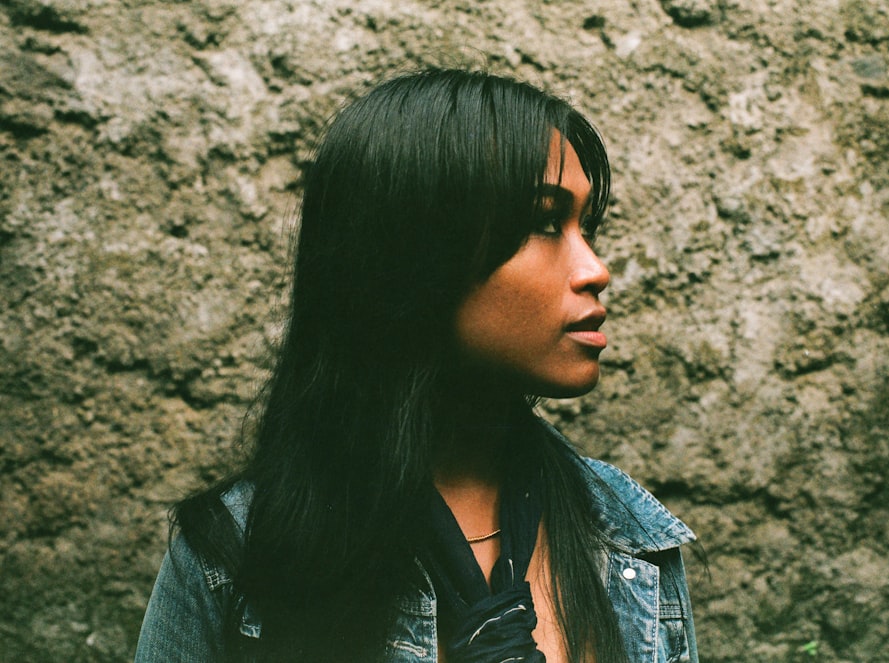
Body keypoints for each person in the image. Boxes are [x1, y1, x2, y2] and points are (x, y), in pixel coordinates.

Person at [135, 67, 698, 663]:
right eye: (542, 221)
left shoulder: (632, 538)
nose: (595, 269)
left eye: (587, 226)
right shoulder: (239, 552)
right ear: (415, 253)